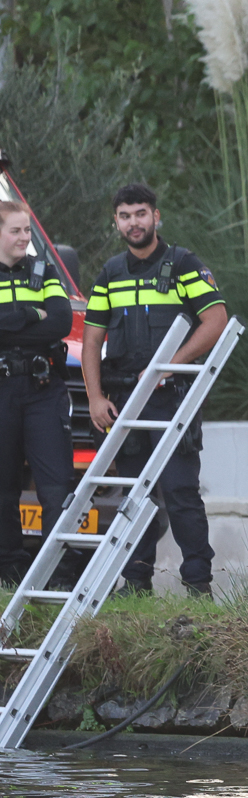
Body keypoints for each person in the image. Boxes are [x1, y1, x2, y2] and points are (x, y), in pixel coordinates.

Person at [83, 183, 230, 596]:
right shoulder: (110, 273)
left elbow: (216, 320)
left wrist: (172, 365)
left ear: (156, 217)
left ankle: (199, 583)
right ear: (116, 222)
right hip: (126, 401)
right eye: (126, 216)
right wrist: (95, 397)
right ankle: (136, 583)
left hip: (171, 397)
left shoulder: (183, 264)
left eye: (141, 213)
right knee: (133, 496)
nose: (134, 222)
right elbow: (92, 339)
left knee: (181, 491)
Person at [0, 202, 75, 584]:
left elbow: (61, 322)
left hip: (43, 391)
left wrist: (15, 322)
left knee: (56, 484)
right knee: (3, 487)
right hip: (2, 392)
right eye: (16, 231)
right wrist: (33, 315)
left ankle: (57, 574)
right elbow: (44, 321)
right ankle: (9, 574)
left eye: (27, 231)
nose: (25, 238)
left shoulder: (43, 273)